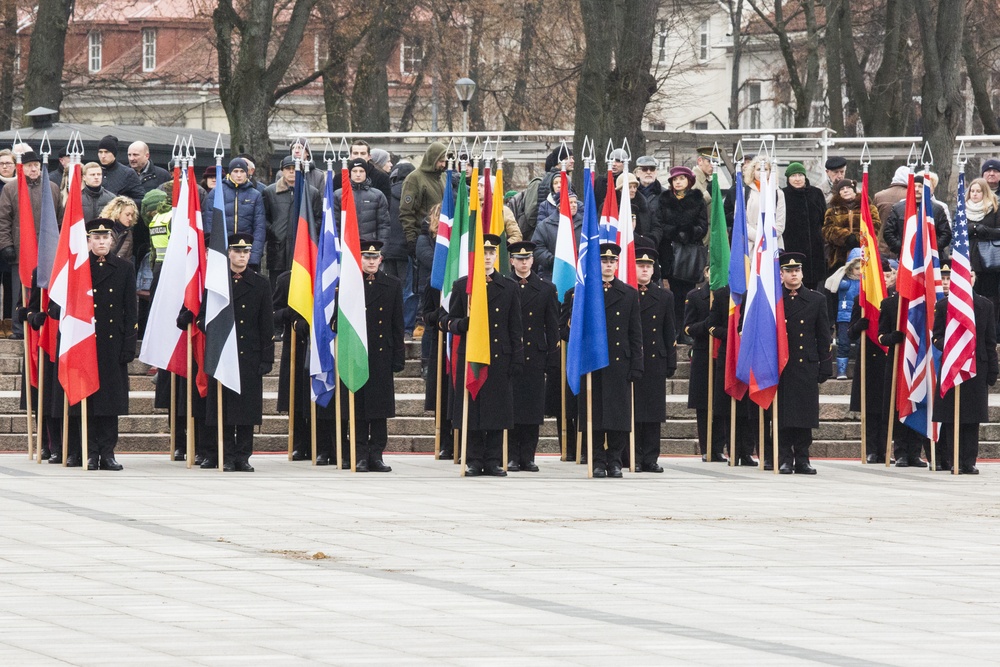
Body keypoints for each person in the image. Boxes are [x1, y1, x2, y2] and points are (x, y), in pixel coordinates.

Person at [182, 233, 273, 471]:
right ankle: (224, 453)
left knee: (246, 407)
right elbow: (202, 318)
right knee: (222, 405)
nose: (241, 256)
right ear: (228, 254)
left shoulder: (261, 284)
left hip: (248, 355)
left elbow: (266, 325)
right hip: (222, 353)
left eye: (245, 252)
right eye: (237, 252)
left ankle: (242, 455)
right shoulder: (216, 284)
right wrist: (213, 326)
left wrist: (266, 357)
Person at [444, 234, 523, 477]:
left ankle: (493, 459)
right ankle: (474, 459)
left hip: (500, 356)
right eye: (483, 253)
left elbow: (515, 327)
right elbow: (445, 320)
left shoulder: (509, 287)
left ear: (496, 256)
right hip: (472, 357)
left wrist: (517, 358)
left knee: (497, 410)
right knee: (474, 409)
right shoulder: (463, 286)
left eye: (491, 253)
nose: (487, 257)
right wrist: (462, 324)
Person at [565, 242, 643, 478]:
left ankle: (615, 460)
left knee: (618, 415)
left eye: (612, 261)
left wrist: (637, 364)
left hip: (619, 362)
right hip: (594, 361)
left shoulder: (629, 293)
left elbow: (634, 332)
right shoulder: (585, 292)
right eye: (603, 261)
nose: (608, 265)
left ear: (617, 264)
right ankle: (598, 459)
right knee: (595, 413)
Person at [337, 240, 405, 472]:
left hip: (380, 355)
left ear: (381, 260)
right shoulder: (349, 285)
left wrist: (398, 356)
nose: (372, 261)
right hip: (356, 354)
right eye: (367, 257)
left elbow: (397, 325)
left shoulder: (392, 284)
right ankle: (359, 454)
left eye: (375, 257)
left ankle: (376, 454)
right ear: (359, 259)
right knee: (358, 408)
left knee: (379, 409)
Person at [77, 219, 138, 470]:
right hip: (87, 342)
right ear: (89, 241)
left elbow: (130, 310)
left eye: (106, 238)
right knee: (90, 399)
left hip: (113, 343)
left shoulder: (124, 268)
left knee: (110, 401)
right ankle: (90, 452)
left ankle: (108, 452)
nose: (101, 242)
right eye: (96, 238)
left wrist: (129, 345)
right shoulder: (80, 268)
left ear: (112, 241)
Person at [933, 268, 998, 474]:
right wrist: (952, 346)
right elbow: (937, 337)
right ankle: (954, 460)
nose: (966, 278)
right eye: (962, 275)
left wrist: (993, 370)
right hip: (953, 367)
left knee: (972, 418)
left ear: (974, 279)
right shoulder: (944, 306)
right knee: (953, 417)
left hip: (977, 367)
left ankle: (969, 461)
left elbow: (990, 340)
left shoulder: (985, 305)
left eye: (970, 275)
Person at [774, 252, 832, 474]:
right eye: (789, 271)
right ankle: (785, 458)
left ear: (802, 273)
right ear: (782, 275)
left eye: (797, 270)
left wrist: (825, 365)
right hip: (783, 367)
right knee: (784, 416)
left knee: (805, 415)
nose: (794, 274)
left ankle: (803, 459)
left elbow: (823, 335)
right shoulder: (775, 300)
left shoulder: (817, 300)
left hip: (806, 364)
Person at [507, 241, 559, 472]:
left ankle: (528, 456)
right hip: (511, 354)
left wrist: (552, 356)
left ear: (533, 260)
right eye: (519, 258)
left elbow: (553, 326)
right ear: (511, 261)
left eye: (527, 258)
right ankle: (510, 455)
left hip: (535, 355)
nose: (523, 262)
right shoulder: (505, 285)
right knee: (512, 406)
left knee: (532, 408)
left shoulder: (546, 288)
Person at [0, 150, 62, 341]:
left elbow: (59, 218)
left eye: (36, 165)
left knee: (45, 289)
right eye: (29, 166)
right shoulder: (11, 189)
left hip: (47, 248)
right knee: (21, 290)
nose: (34, 169)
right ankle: (19, 328)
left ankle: (44, 325)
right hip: (21, 248)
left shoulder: (52, 187)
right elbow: (3, 220)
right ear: (22, 168)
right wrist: (6, 245)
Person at [633, 248, 676, 472]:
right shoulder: (628, 293)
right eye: (641, 266)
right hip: (634, 359)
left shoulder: (665, 296)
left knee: (653, 412)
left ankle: (651, 457)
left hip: (655, 359)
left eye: (648, 266)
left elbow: (669, 331)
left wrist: (671, 360)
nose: (645, 270)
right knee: (636, 412)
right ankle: (635, 457)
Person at [848, 259, 895, 463]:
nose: (883, 279)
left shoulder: (896, 300)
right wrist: (859, 325)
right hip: (869, 361)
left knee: (887, 408)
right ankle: (871, 449)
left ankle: (885, 450)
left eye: (886, 275)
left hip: (889, 359)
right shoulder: (862, 300)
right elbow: (849, 334)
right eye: (879, 275)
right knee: (871, 408)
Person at [658, 165, 707, 340]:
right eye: (675, 179)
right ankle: (674, 331)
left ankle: (687, 331)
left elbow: (703, 226)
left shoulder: (697, 200)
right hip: (670, 252)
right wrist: (674, 232)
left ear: (689, 181)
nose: (678, 182)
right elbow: (660, 224)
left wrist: (688, 232)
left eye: (682, 179)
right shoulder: (664, 200)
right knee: (672, 295)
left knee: (688, 295)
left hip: (689, 254)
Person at [686, 266, 729, 462]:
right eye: (713, 270)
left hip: (723, 355)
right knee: (704, 405)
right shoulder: (695, 296)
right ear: (705, 273)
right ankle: (706, 447)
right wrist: (707, 325)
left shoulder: (730, 295)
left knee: (720, 402)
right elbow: (687, 328)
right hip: (703, 355)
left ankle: (719, 447)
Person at [262, 155, 322, 289]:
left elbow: (318, 219)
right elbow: (264, 218)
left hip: (303, 249)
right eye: (288, 168)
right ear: (282, 170)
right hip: (278, 250)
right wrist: (274, 230)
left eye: (295, 168)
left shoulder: (311, 193)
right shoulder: (270, 192)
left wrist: (307, 230)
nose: (291, 171)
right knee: (277, 288)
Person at [202, 158, 267, 271]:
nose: (239, 175)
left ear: (247, 173)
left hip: (246, 253)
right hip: (222, 252)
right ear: (229, 173)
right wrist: (212, 251)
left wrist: (254, 257)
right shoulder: (217, 192)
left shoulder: (255, 195)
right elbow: (209, 224)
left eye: (242, 172)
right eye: (235, 171)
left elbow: (259, 228)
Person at [781, 162, 827, 289]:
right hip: (792, 247)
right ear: (788, 178)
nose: (797, 179)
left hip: (815, 249)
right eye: (793, 176)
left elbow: (824, 218)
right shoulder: (782, 195)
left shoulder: (816, 193)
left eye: (800, 175)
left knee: (813, 286)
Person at [882, 175, 951, 258]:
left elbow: (946, 234)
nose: (917, 189)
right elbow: (888, 232)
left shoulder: (937, 209)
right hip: (906, 257)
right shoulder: (898, 208)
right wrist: (901, 247)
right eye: (914, 186)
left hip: (930, 258)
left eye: (920, 186)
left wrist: (933, 248)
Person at [385, 161, 418, 339]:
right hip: (407, 251)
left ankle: (390, 327)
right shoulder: (415, 193)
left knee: (389, 290)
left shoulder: (385, 194)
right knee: (409, 291)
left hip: (387, 250)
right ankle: (406, 329)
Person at [821, 178, 881, 272]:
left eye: (848, 187)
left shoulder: (869, 207)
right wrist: (846, 237)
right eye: (842, 189)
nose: (845, 190)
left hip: (865, 252)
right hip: (839, 256)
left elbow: (875, 225)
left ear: (854, 190)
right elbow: (827, 229)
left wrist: (857, 238)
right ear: (838, 193)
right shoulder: (832, 210)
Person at [399, 142, 447, 258]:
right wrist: (411, 239)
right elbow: (406, 212)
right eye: (441, 161)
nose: (443, 164)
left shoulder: (443, 177)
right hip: (424, 238)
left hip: (443, 236)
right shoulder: (414, 179)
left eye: (445, 161)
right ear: (433, 159)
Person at [966, 177, 1000, 323]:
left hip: (989, 259)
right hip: (969, 256)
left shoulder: (994, 208)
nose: (974, 194)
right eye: (972, 191)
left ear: (984, 192)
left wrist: (982, 230)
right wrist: (972, 228)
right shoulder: (964, 209)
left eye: (978, 191)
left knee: (989, 296)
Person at [334, 158, 391, 243]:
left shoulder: (377, 195)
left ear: (366, 173)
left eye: (361, 171)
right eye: (354, 171)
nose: (358, 174)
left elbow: (384, 225)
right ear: (349, 173)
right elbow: (335, 224)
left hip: (370, 247)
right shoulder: (338, 195)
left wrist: (382, 251)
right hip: (346, 248)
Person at [532, 191, 582, 284]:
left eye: (575, 202)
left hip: (580, 275)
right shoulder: (545, 226)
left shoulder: (585, 225)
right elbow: (537, 248)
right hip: (553, 275)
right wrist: (554, 260)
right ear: (559, 206)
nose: (574, 205)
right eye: (570, 202)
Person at [826, 248, 862, 379]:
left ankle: (860, 369)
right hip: (844, 317)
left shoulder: (866, 283)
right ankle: (841, 371)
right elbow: (830, 284)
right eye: (857, 268)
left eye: (863, 267)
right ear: (850, 268)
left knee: (860, 344)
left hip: (860, 318)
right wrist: (842, 271)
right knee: (843, 343)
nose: (860, 271)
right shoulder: (844, 282)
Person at [618, 171, 661, 254]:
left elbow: (657, 227)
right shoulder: (611, 208)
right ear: (620, 189)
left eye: (635, 187)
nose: (633, 190)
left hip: (644, 250)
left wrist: (650, 240)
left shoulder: (645, 206)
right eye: (629, 187)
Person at [96, 135, 145, 206]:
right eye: (100, 152)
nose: (103, 156)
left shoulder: (127, 173)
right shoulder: (94, 171)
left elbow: (141, 200)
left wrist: (120, 203)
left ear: (114, 153)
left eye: (106, 152)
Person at [99, 196, 140, 262]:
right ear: (117, 213)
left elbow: (127, 260)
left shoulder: (128, 233)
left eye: (132, 215)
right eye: (127, 214)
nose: (130, 218)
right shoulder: (101, 228)